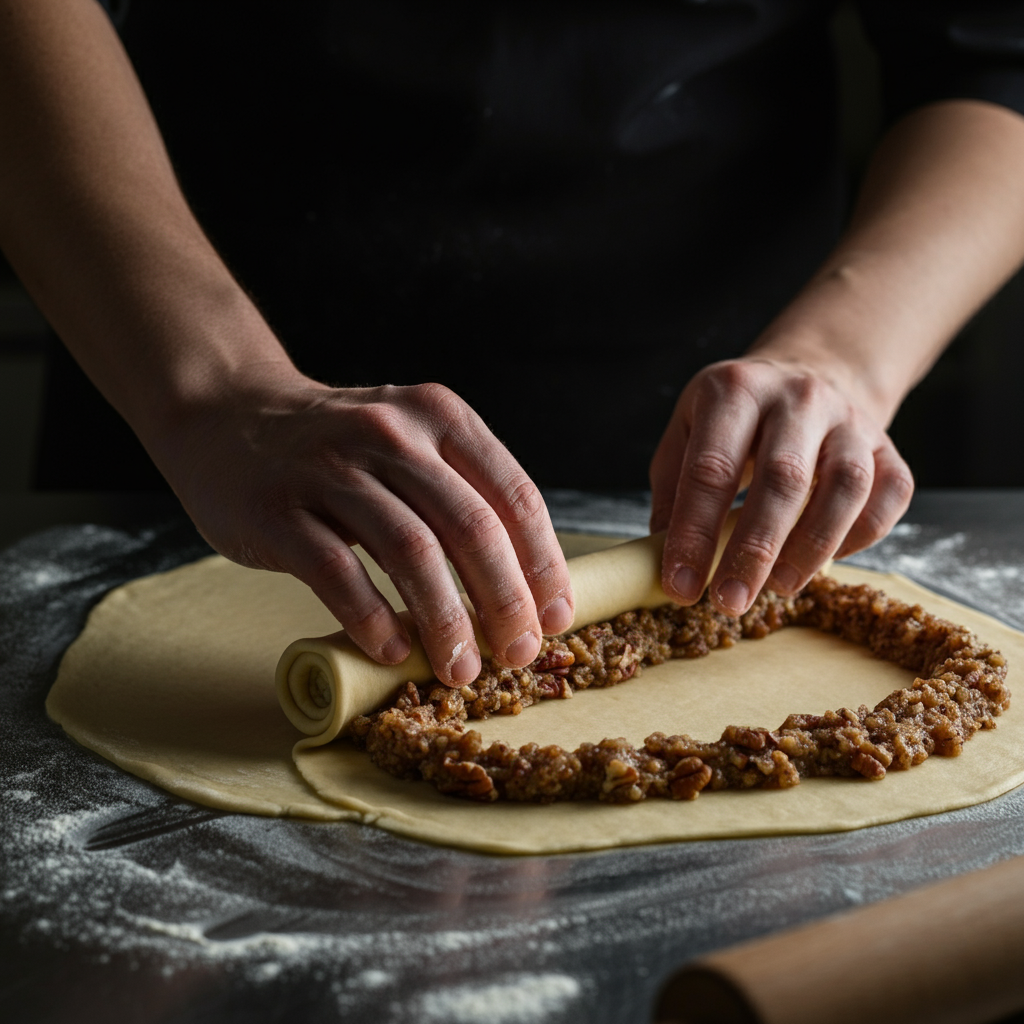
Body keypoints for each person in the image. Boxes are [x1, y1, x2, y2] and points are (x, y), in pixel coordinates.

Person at [3, 0, 1024, 687]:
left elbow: (994, 55)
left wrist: (839, 357)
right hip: (180, 383)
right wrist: (214, 387)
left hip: (711, 430)